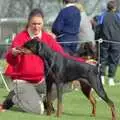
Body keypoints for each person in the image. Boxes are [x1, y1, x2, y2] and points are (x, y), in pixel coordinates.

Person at [0, 8, 73, 114]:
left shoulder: (48, 39)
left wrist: (83, 62)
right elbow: (11, 61)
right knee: (38, 111)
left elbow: (63, 55)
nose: (36, 26)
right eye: (34, 23)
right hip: (22, 82)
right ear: (29, 22)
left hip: (41, 81)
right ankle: (15, 98)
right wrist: (13, 54)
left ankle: (44, 101)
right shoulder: (20, 38)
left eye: (39, 23)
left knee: (70, 82)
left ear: (43, 23)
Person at [98, 1, 120, 86]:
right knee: (114, 60)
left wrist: (97, 38)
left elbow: (98, 28)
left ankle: (102, 78)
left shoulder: (102, 15)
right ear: (114, 7)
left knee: (103, 59)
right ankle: (111, 79)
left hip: (104, 40)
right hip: (116, 41)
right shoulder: (118, 16)